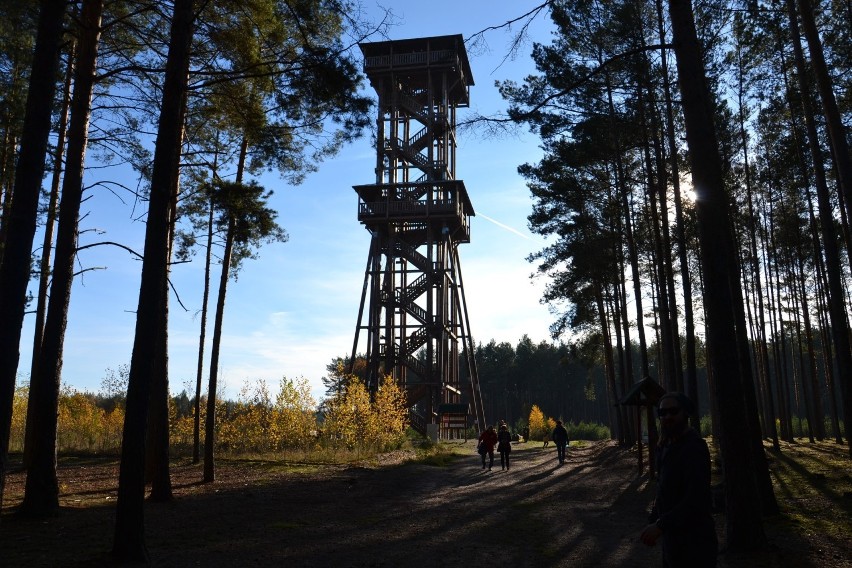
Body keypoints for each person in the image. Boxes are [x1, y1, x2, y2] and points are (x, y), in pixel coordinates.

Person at [640, 392, 718, 567]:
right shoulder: (664, 447)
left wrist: (660, 525)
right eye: (662, 413)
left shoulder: (694, 448)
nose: (668, 416)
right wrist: (654, 521)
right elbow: (663, 490)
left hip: (696, 543)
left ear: (685, 413)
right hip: (672, 541)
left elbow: (696, 498)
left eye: (673, 411)